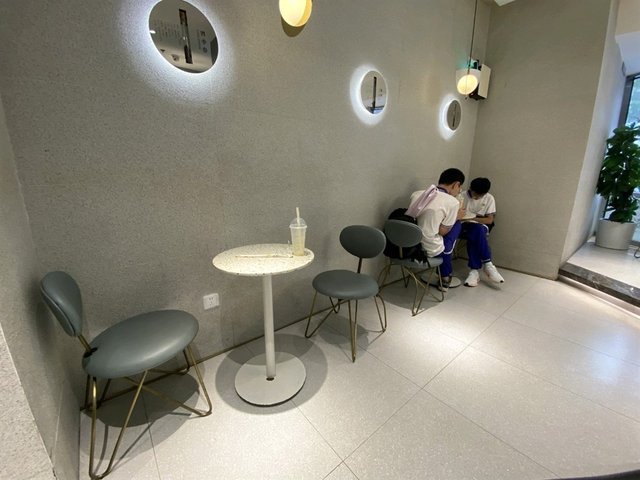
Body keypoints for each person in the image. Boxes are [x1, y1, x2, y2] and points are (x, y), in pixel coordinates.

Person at [407, 168, 466, 291]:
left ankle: (444, 273)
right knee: (457, 224)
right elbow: (442, 232)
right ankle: (445, 276)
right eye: (459, 188)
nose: (459, 191)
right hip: (430, 248)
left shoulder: (417, 194)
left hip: (408, 244)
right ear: (456, 184)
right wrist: (456, 217)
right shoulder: (452, 202)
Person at [459, 177, 505, 286]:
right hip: (463, 225)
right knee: (475, 233)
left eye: (480, 196)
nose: (476, 197)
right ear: (470, 188)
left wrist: (473, 218)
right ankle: (488, 264)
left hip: (479, 226)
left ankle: (474, 271)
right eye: (475, 194)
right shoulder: (462, 196)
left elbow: (489, 220)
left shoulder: (489, 198)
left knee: (476, 230)